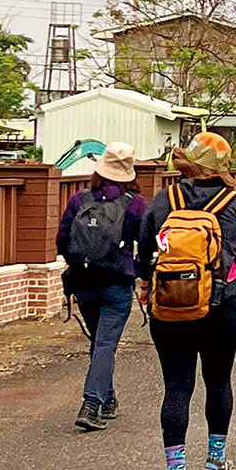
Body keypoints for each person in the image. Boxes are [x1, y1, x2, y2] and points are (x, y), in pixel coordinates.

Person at [137, 132, 236, 470]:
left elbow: (146, 251)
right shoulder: (235, 205)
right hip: (220, 306)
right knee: (218, 381)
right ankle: (215, 459)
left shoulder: (164, 201)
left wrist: (146, 287)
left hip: (169, 306)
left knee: (176, 387)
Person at [56, 142, 148, 432]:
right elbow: (146, 244)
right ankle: (92, 403)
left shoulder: (80, 199)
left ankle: (107, 400)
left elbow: (62, 239)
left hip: (84, 282)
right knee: (106, 344)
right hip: (116, 282)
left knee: (99, 342)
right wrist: (144, 278)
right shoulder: (135, 203)